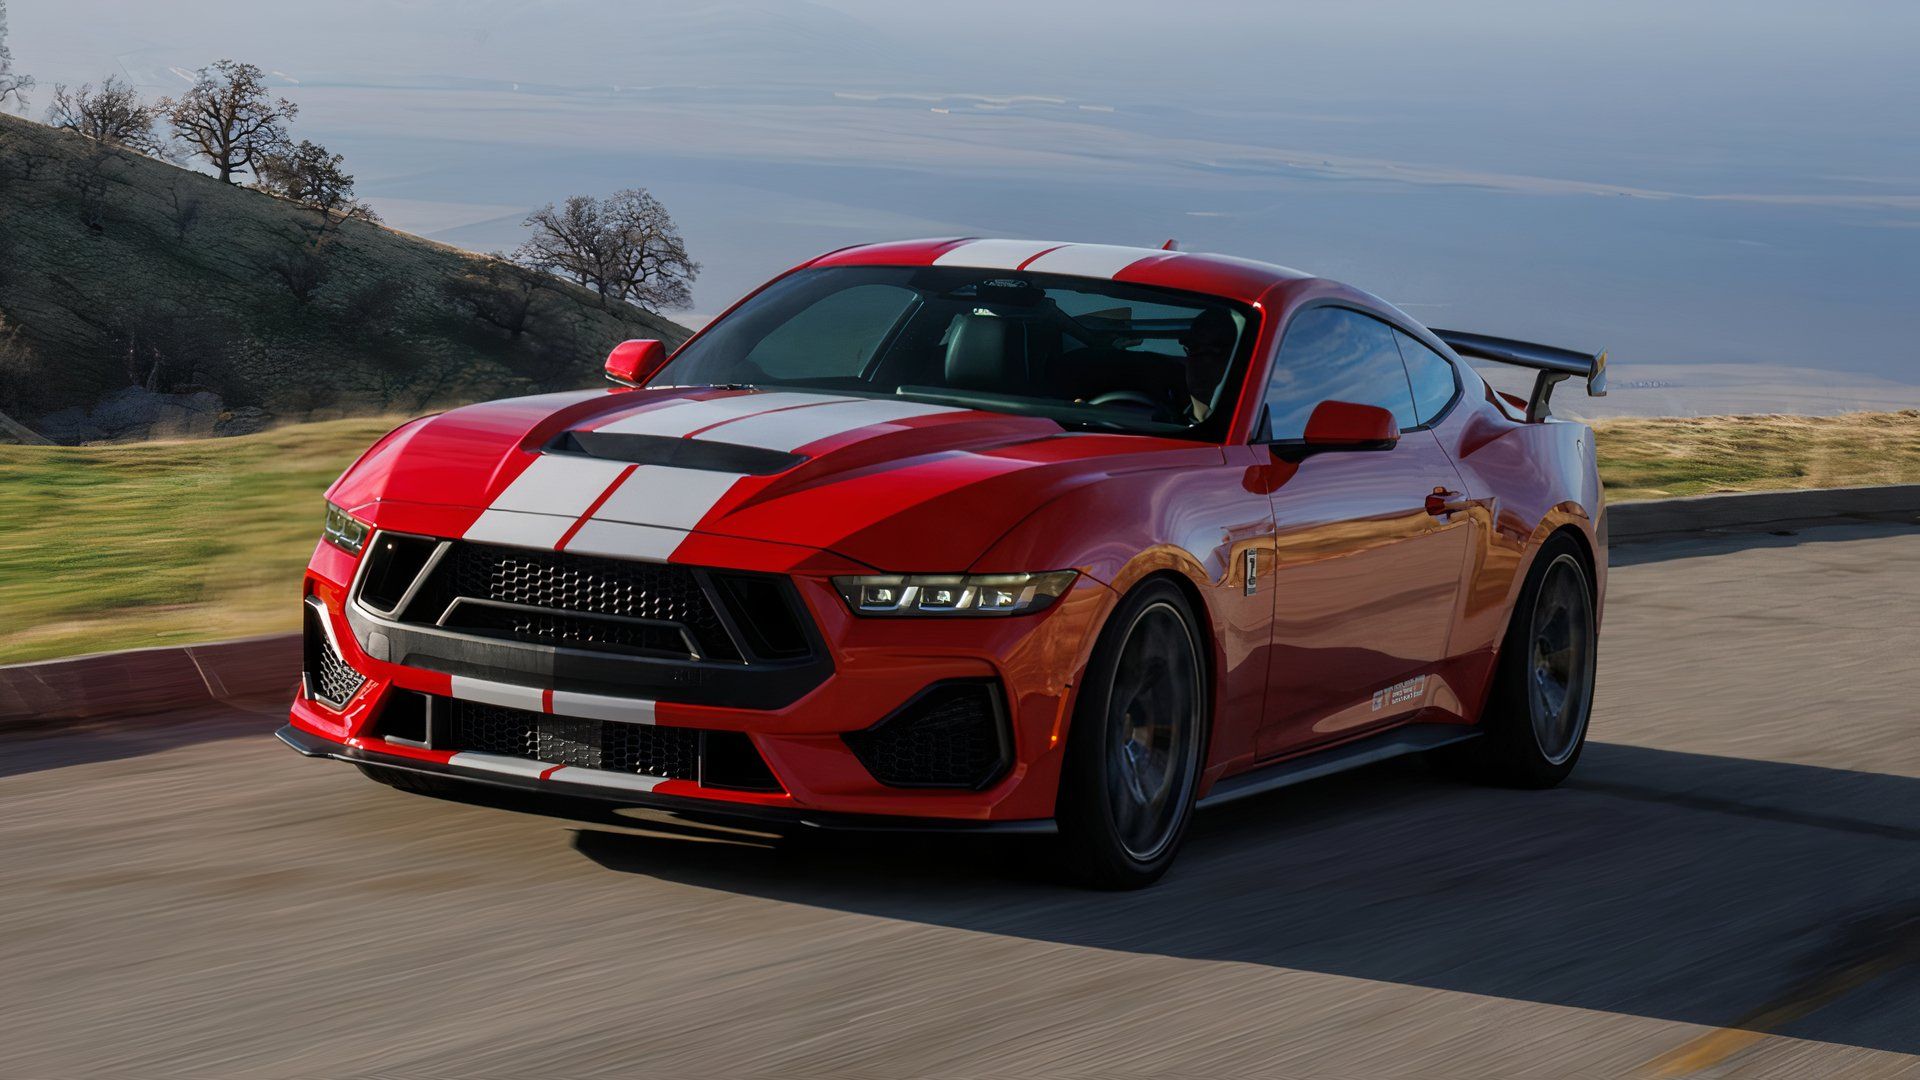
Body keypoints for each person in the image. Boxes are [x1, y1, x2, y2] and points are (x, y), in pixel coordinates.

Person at [1178, 307, 1239, 422]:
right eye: (1195, 350)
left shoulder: (1242, 425)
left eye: (1215, 353)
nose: (1203, 364)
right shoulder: (1161, 421)